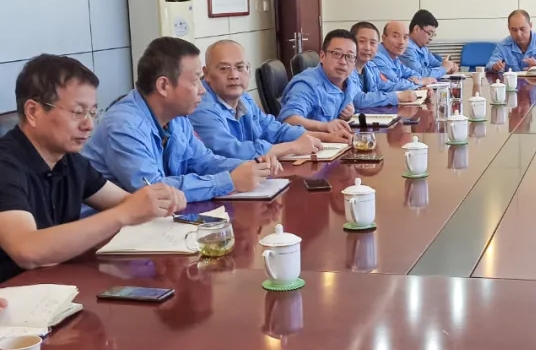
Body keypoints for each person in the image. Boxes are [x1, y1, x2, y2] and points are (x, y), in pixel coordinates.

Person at [0, 55, 186, 283]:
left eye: (93, 113)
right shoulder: (6, 165)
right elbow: (27, 250)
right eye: (77, 112)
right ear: (33, 111)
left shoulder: (70, 161)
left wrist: (159, 201)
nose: (89, 125)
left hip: (57, 285)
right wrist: (124, 214)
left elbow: (126, 202)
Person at [84, 38, 270, 202]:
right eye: (195, 81)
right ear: (164, 85)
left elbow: (203, 161)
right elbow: (153, 191)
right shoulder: (124, 125)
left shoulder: (177, 117)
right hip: (108, 228)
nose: (202, 90)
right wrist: (228, 182)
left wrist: (250, 166)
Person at [190, 40, 322, 160]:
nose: (234, 75)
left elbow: (274, 129)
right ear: (206, 73)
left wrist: (324, 137)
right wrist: (293, 147)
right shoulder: (200, 105)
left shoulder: (244, 98)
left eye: (240, 67)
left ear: (248, 70)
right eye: (224, 69)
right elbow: (231, 151)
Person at [277, 29, 362, 143]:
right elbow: (289, 121)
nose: (343, 62)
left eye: (350, 56)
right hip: (307, 148)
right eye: (337, 54)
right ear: (322, 56)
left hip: (334, 145)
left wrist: (348, 114)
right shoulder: (307, 85)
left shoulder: (348, 82)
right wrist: (324, 126)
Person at [349, 21, 419, 108]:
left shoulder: (371, 67)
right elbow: (358, 100)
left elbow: (387, 86)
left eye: (373, 43)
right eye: (362, 41)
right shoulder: (346, 68)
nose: (367, 48)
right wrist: (396, 97)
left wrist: (417, 87)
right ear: (351, 43)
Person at [487, 10, 536, 74]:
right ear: (509, 28)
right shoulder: (503, 46)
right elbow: (490, 65)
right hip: (513, 86)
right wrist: (495, 67)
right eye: (514, 30)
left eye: (522, 29)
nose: (518, 34)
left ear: (530, 26)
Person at [372, 22, 432, 89]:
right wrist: (421, 82)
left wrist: (416, 81)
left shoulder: (395, 58)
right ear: (384, 38)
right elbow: (395, 84)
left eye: (405, 37)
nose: (402, 42)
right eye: (396, 36)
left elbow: (415, 74)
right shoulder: (376, 57)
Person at [401, 10, 458, 79]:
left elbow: (435, 63)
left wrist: (450, 66)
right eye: (429, 33)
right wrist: (444, 69)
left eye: (433, 35)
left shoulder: (422, 47)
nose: (431, 38)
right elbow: (418, 74)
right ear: (416, 29)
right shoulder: (406, 47)